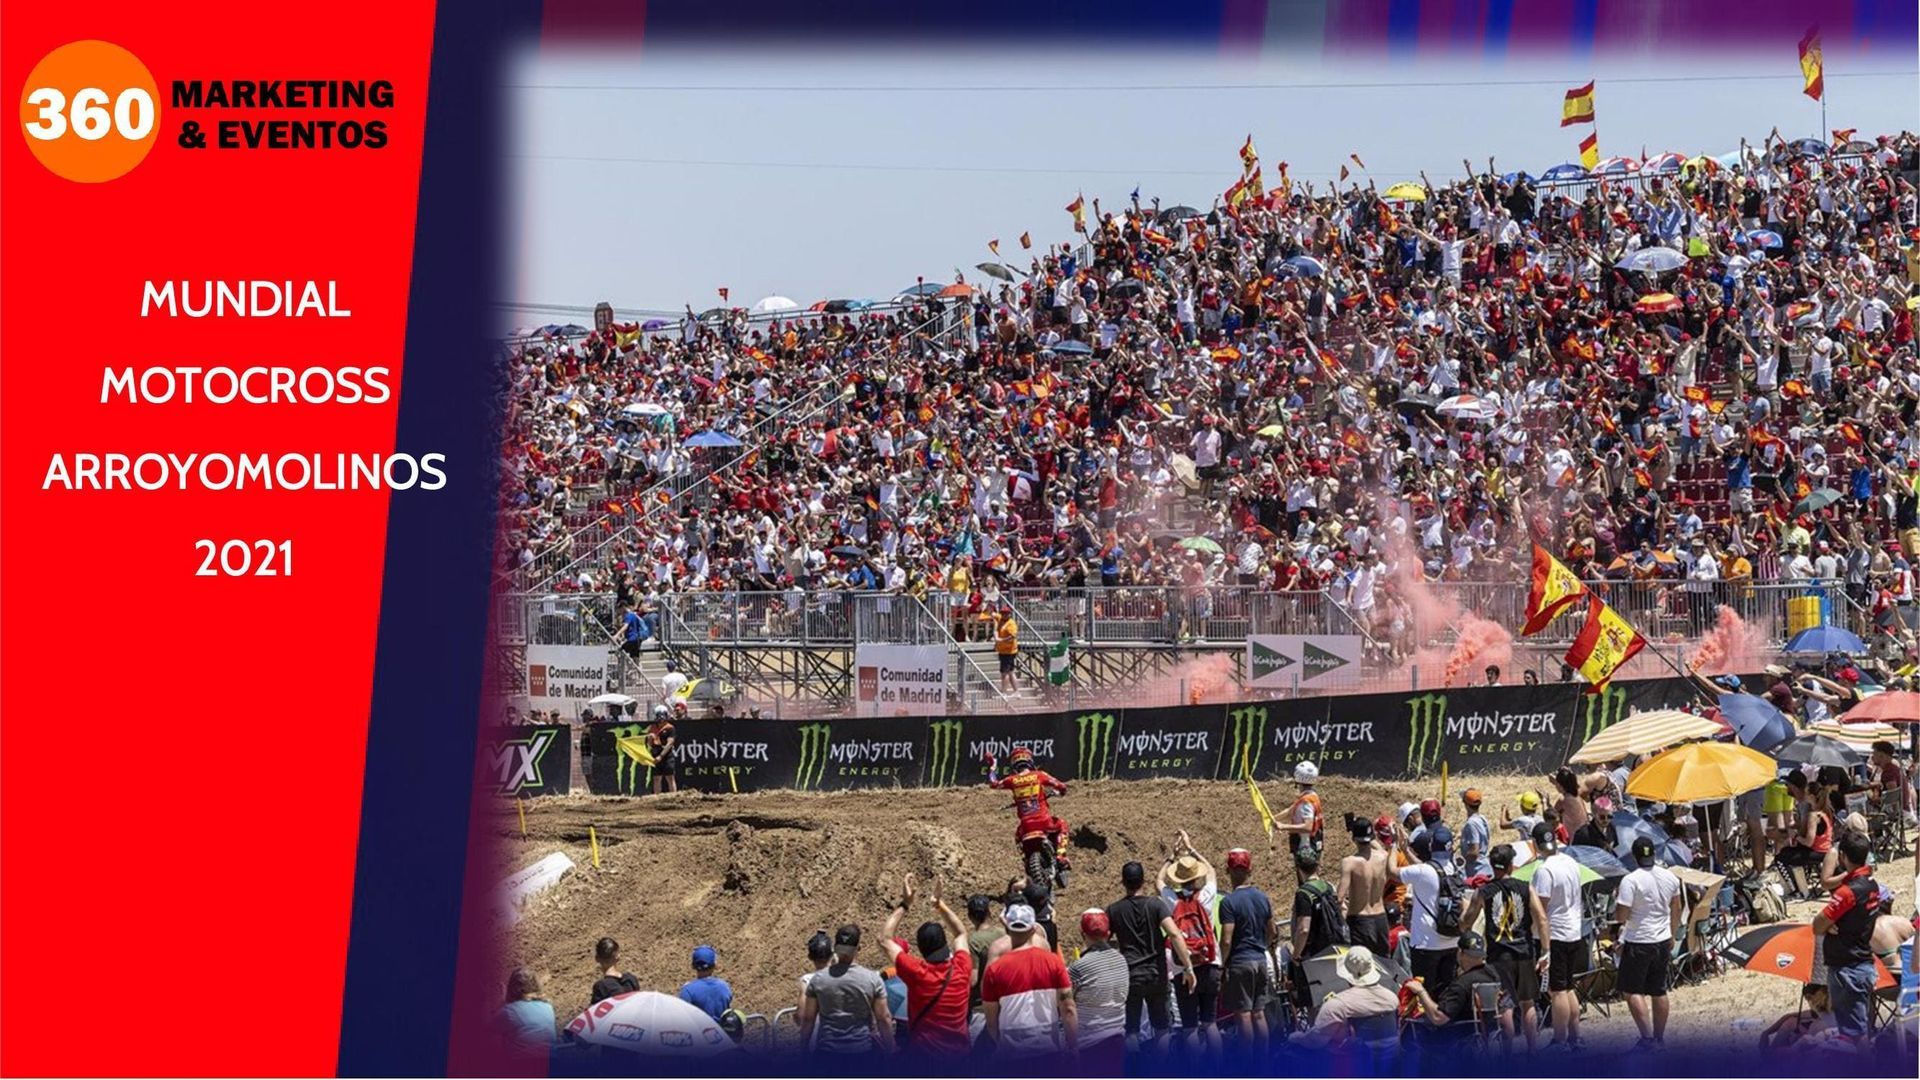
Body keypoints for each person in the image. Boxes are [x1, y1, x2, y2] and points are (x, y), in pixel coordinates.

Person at [1457, 843, 1549, 1052]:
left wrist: (1463, 923)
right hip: (1524, 951)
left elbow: (1466, 921)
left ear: (1492, 865)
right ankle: (1532, 1050)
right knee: (1527, 1003)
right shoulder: (1526, 887)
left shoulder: (1483, 891)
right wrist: (1546, 950)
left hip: (1498, 954)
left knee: (1504, 1004)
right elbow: (1542, 919)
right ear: (1510, 865)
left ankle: (1507, 1053)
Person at [1106, 860, 1196, 1054]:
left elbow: (1103, 939)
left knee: (1131, 1030)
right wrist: (1188, 967)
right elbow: (1174, 933)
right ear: (1143, 881)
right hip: (1157, 974)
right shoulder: (1155, 905)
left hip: (1130, 975)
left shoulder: (1114, 910)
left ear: (1123, 882)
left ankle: (1136, 1067)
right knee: (1162, 1028)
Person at [881, 876, 973, 1056]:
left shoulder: (916, 971)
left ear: (921, 950)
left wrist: (905, 904)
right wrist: (939, 904)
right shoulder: (962, 967)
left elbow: (884, 939)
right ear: (945, 943)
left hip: (924, 1058)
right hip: (960, 1058)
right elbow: (961, 934)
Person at [980, 903, 1079, 1066]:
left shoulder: (994, 970)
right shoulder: (1054, 962)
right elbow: (1068, 1007)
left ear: (1008, 929)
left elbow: (991, 1022)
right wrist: (1073, 1046)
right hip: (1049, 1052)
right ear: (1033, 929)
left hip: (1012, 1056)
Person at [1810, 832, 1884, 1045]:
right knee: (1858, 1031)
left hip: (1847, 970)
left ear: (1842, 856)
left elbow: (1817, 925)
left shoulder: (1847, 892)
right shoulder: (1872, 885)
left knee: (1854, 1037)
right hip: (1862, 963)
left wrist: (1831, 924)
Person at [1613, 837, 1684, 1050]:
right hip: (1662, 939)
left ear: (1634, 857)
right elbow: (1677, 907)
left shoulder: (1630, 880)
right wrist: (1672, 934)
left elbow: (1621, 916)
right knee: (1658, 990)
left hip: (1639, 940)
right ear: (1654, 853)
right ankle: (1659, 1038)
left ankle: (1647, 1037)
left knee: (1632, 990)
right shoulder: (1670, 876)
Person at [1157, 840, 1221, 1059]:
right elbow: (1212, 872)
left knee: (1190, 1026)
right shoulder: (1206, 896)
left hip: (1183, 968)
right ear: (1196, 876)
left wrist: (1171, 858)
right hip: (1210, 962)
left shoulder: (1172, 900)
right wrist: (1193, 849)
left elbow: (1158, 881)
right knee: (1210, 1023)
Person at [1529, 822, 1588, 1051]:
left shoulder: (1544, 871)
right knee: (1568, 986)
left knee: (1557, 990)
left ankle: (1560, 1039)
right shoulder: (1570, 862)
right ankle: (1575, 1036)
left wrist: (1534, 932)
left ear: (1535, 844)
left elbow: (1540, 908)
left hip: (1555, 935)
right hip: (1573, 931)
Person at [799, 924, 896, 1057]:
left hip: (826, 1052)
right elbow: (883, 1018)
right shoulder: (873, 979)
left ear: (834, 948)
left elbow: (808, 1019)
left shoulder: (818, 980)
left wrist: (803, 1050)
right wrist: (891, 1049)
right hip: (862, 1052)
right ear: (858, 948)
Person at [1217, 847, 1277, 1056]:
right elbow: (1272, 931)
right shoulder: (1262, 897)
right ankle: (1264, 1062)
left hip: (1240, 962)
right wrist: (1262, 946)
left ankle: (1247, 1063)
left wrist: (1222, 963)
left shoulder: (1228, 902)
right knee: (1259, 1013)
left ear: (1228, 871)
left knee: (1243, 1015)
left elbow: (1226, 939)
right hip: (1260, 959)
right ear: (1250, 870)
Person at [1402, 932, 1509, 1048]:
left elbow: (1439, 1018)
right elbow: (1507, 1016)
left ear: (1460, 952)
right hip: (1490, 1043)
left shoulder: (1461, 984)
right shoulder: (1495, 976)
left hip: (1458, 1045)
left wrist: (1420, 991)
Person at [1388, 826, 1461, 994]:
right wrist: (1406, 850)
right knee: (1445, 993)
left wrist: (1393, 844)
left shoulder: (1423, 872)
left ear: (1431, 846)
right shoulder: (1455, 869)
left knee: (1424, 994)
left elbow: (1392, 872)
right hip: (1451, 941)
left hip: (1426, 944)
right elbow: (1425, 869)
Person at [987, 747, 1071, 887]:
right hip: (1044, 822)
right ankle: (1061, 856)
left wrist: (992, 765)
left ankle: (1026, 860)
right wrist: (1061, 791)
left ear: (1014, 763)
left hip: (1026, 826)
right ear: (1030, 760)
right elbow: (1061, 786)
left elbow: (993, 783)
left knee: (1018, 837)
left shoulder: (1012, 780)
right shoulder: (1039, 775)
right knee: (1062, 825)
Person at [1067, 909, 1129, 1074]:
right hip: (1118, 1036)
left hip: (1089, 1042)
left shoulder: (1079, 967)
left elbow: (1067, 1003)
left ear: (1083, 934)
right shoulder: (1121, 960)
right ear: (1108, 933)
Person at [1338, 815, 1391, 957]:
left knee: (1360, 965)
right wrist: (1364, 830)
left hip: (1360, 920)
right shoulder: (1383, 857)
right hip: (1381, 919)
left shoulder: (1349, 863)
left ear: (1353, 839)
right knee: (1384, 964)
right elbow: (1378, 847)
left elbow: (1340, 897)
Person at [496, 967, 556, 1058]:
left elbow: (487, 1029)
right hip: (549, 1059)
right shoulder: (548, 1006)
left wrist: (498, 1003)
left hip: (522, 1061)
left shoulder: (509, 1011)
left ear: (512, 988)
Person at [1273, 760, 1324, 858]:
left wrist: (1283, 826)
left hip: (1305, 845)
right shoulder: (1312, 796)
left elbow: (1308, 827)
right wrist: (1271, 819)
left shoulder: (1306, 801)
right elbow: (1290, 811)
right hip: (1313, 841)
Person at [964, 894, 1005, 1009]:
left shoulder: (973, 941)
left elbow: (973, 980)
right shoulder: (1003, 934)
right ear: (989, 913)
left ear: (970, 917)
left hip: (982, 1005)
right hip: (1004, 1000)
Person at [678, 945, 734, 1022]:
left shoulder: (687, 991)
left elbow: (682, 1019)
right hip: (720, 1029)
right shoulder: (725, 987)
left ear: (693, 966)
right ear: (714, 965)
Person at [589, 937, 640, 1004]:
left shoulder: (600, 987)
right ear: (618, 957)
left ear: (597, 958)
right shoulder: (631, 979)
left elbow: (596, 1010)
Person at [1457, 790, 1492, 881]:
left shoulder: (1471, 824)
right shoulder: (1482, 818)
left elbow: (1474, 852)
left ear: (1465, 804)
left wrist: (1461, 861)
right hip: (1485, 867)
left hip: (1476, 871)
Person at [646, 704, 678, 795]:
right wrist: (650, 738)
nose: (660, 718)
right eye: (658, 715)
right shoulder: (652, 728)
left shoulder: (670, 728)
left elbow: (670, 743)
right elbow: (649, 744)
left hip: (667, 755)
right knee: (656, 778)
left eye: (662, 715)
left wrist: (661, 756)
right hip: (655, 754)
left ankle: (673, 797)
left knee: (670, 777)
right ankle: (657, 798)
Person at [994, 605, 1020, 693]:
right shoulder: (1001, 619)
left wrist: (1001, 640)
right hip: (1002, 651)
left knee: (1005, 673)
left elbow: (1012, 637)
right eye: (1002, 613)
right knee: (1010, 672)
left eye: (1006, 613)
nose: (1004, 615)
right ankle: (1016, 691)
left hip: (1009, 651)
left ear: (1009, 614)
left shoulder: (1011, 624)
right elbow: (993, 614)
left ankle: (1004, 691)